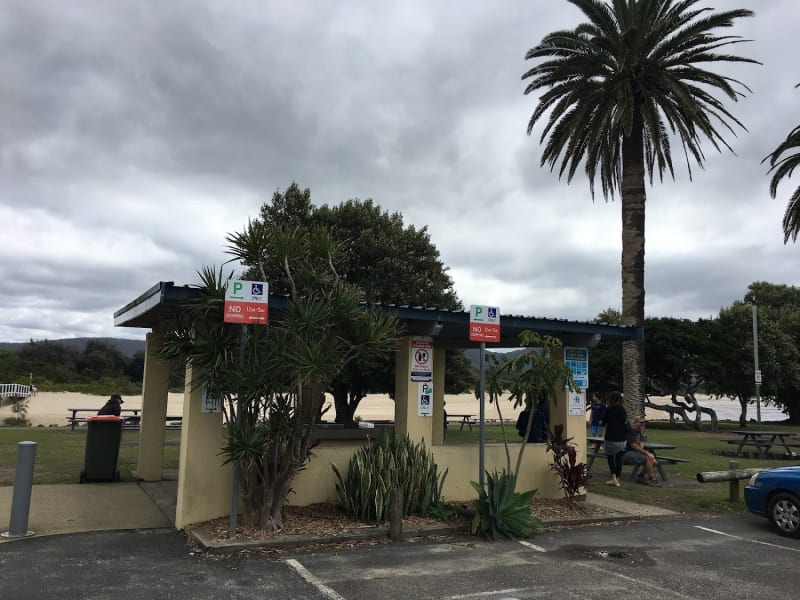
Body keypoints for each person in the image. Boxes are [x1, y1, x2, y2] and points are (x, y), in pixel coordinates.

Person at [600, 391, 627, 486]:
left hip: (610, 436)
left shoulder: (609, 409)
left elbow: (603, 422)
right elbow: (625, 422)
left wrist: (601, 422)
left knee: (610, 458)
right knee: (619, 458)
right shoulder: (623, 410)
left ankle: (614, 478)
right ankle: (618, 479)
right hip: (621, 437)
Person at [624, 419, 658, 484]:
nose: (643, 424)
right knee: (649, 458)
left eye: (644, 423)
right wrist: (647, 453)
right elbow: (633, 445)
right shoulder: (631, 431)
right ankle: (652, 479)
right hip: (626, 454)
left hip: (634, 452)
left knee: (654, 460)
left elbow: (636, 441)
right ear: (635, 422)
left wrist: (640, 443)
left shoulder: (638, 431)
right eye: (641, 422)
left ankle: (640, 476)